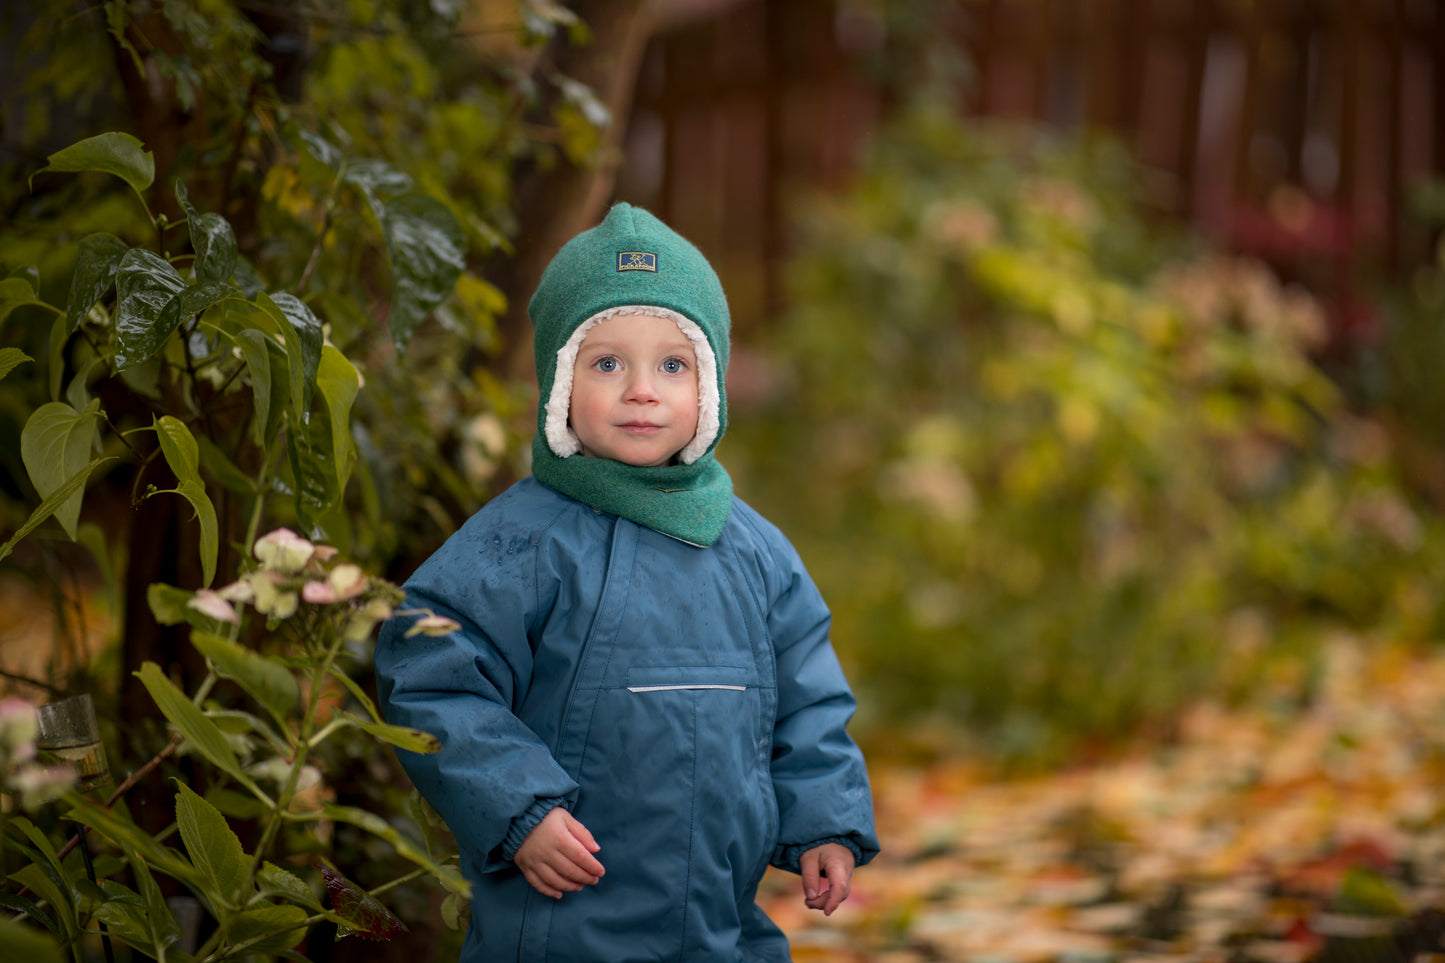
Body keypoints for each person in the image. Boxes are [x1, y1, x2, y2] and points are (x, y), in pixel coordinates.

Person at [374, 203, 879, 962]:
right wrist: (516, 810)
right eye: (607, 362)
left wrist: (824, 821)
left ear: (708, 385)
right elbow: (429, 668)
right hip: (561, 916)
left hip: (718, 920)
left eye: (672, 365)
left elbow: (807, 698)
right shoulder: (525, 538)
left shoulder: (754, 551)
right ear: (557, 384)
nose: (642, 390)